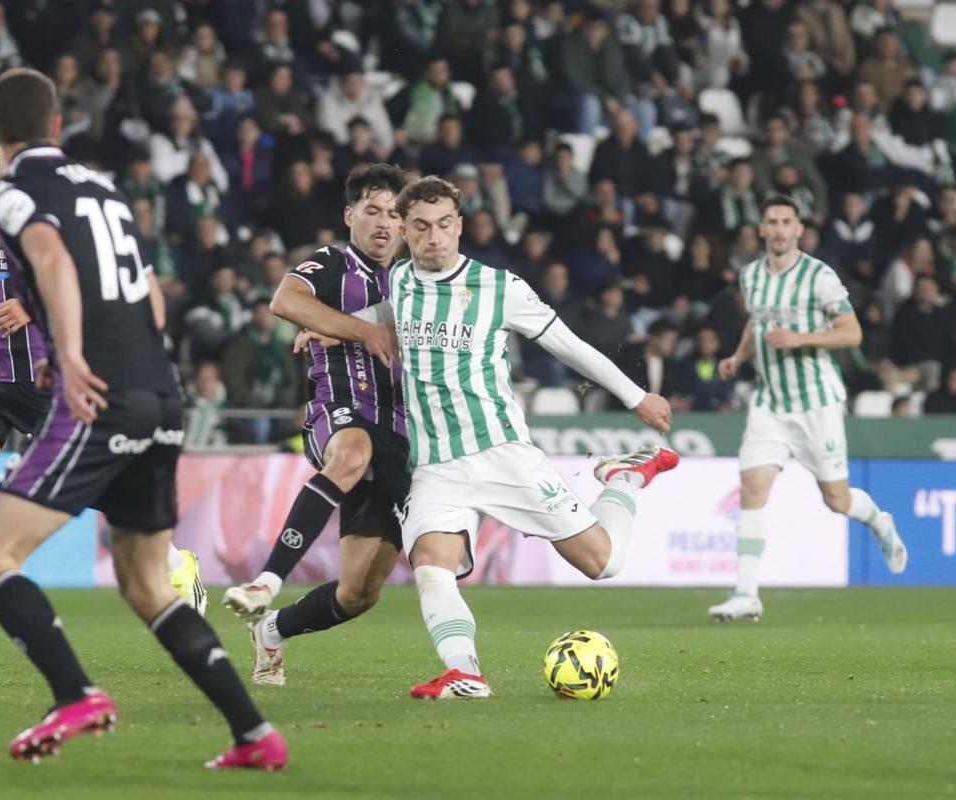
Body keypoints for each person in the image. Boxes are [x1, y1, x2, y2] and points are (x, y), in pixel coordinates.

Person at [0, 69, 284, 768]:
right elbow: (152, 302)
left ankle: (75, 693)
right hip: (161, 395)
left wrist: (67, 354)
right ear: (57, 125)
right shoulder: (105, 189)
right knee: (145, 583)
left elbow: (49, 260)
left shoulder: (12, 195)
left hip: (99, 400)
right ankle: (256, 735)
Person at [0, 143, 206, 660]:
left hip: (43, 375)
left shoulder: (53, 205)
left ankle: (174, 560)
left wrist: (30, 307)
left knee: (77, 488)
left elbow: (84, 275)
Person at [384, 176, 676, 699]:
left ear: (460, 226)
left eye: (445, 224)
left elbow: (570, 346)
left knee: (604, 563)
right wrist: (321, 327)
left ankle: (625, 477)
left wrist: (636, 397)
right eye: (422, 227)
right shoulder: (396, 282)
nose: (434, 236)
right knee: (431, 563)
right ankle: (465, 672)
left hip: (503, 455)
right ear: (405, 230)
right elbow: (370, 321)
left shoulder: (501, 288)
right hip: (434, 466)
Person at [221, 164, 408, 687]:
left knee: (358, 593)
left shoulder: (415, 278)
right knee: (352, 454)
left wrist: (345, 330)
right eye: (372, 211)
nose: (383, 224)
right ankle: (265, 582)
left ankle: (272, 630)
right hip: (341, 408)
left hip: (402, 433)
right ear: (350, 216)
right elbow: (285, 301)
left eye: (394, 214)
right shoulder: (333, 261)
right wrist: (354, 332)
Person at [708, 195, 907, 623]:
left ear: (799, 229)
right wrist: (739, 357)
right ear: (762, 229)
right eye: (771, 222)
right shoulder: (751, 276)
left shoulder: (819, 277)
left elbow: (852, 333)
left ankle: (879, 521)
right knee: (752, 487)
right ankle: (745, 593)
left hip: (816, 402)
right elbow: (757, 321)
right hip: (770, 401)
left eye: (786, 222)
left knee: (836, 499)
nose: (779, 229)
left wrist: (801, 338)